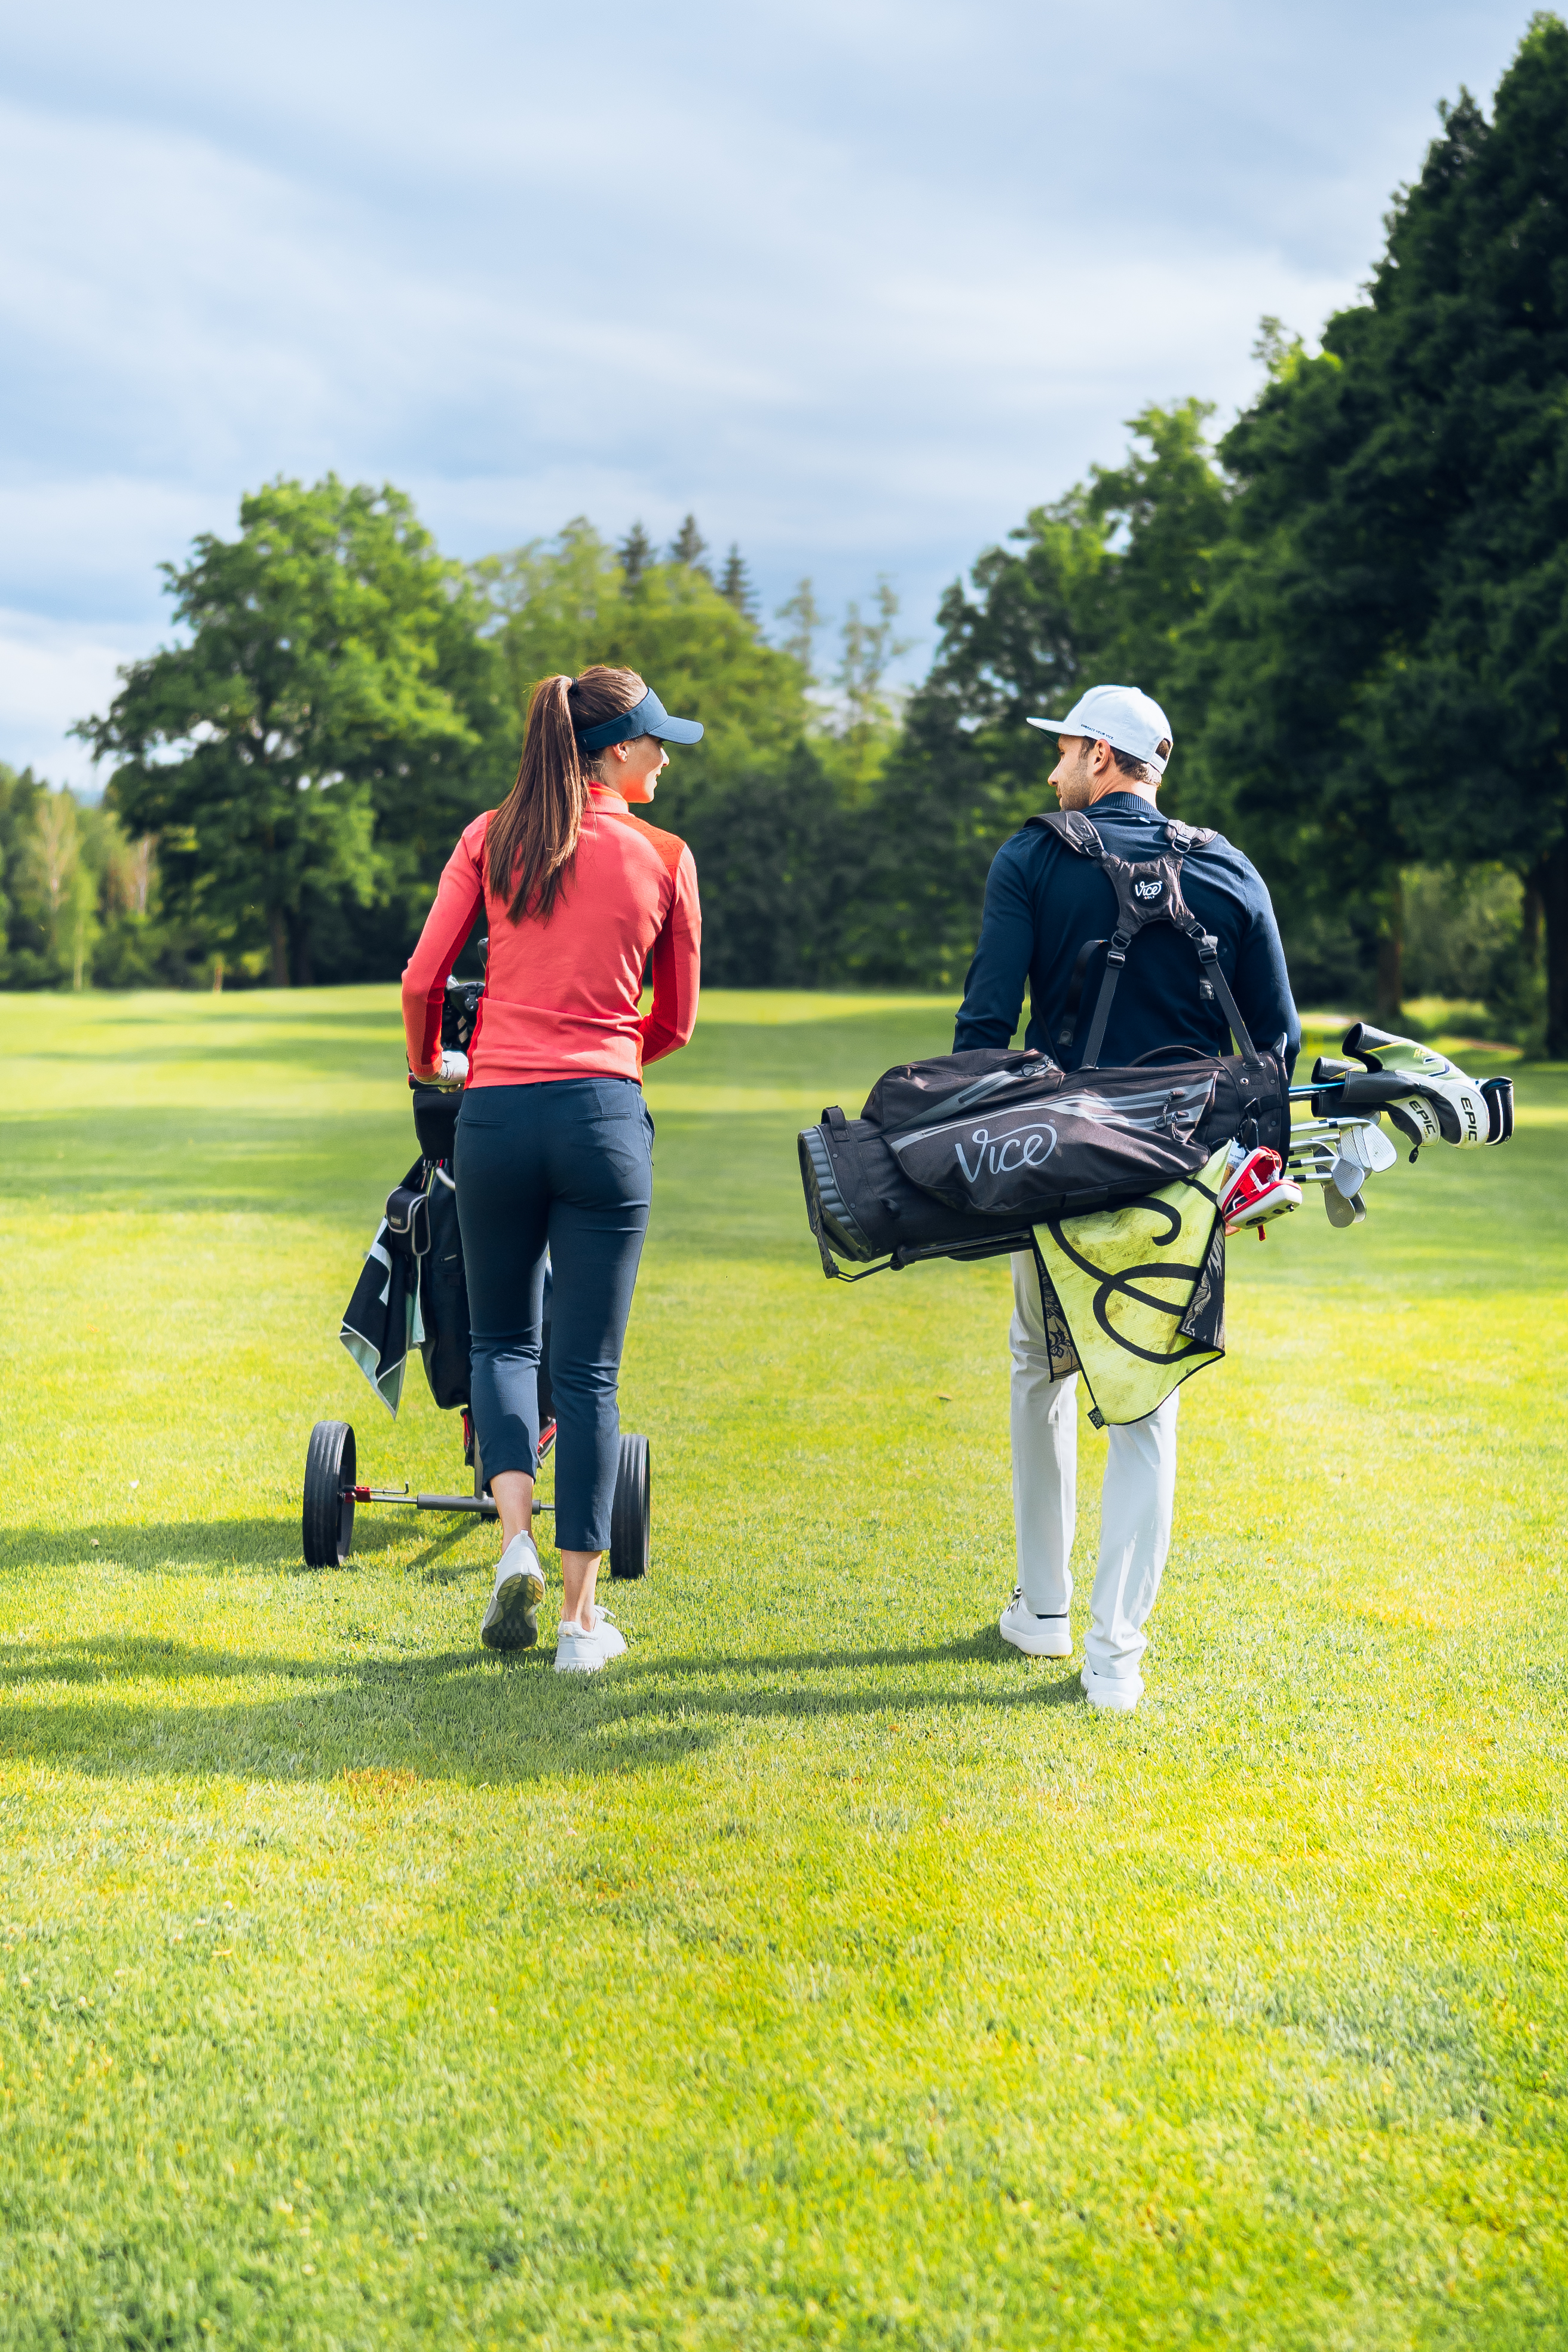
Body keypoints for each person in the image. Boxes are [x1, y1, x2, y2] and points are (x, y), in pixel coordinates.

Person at [953, 684, 1300, 1713]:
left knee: (1041, 1369)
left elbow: (983, 1027)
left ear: (1102, 755)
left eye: (1063, 748)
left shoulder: (1031, 857)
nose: (1053, 765)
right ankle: (1116, 1659)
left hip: (1055, 1154)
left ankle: (1044, 1611)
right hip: (1183, 1170)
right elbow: (1276, 1044)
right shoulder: (1230, 867)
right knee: (1149, 1399)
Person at [401, 666, 702, 1672]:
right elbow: (675, 1020)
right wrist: (608, 1073)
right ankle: (578, 1626)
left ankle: (514, 1547)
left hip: (491, 1114)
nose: (665, 757)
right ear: (617, 750)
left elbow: (422, 977)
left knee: (501, 1344)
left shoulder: (492, 836)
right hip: (603, 1119)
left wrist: (432, 1063)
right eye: (656, 741)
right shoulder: (665, 855)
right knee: (589, 1366)